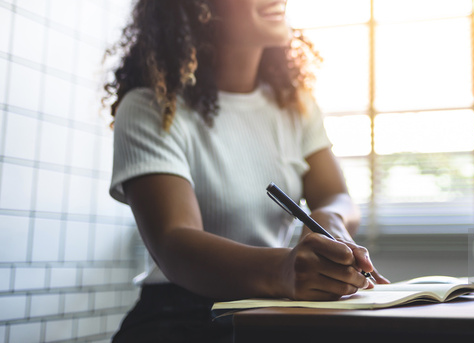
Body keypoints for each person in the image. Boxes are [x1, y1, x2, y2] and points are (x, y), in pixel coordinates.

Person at [104, 0, 389, 341]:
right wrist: (284, 270)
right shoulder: (150, 107)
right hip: (177, 318)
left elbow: (336, 195)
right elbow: (173, 242)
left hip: (267, 309)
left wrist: (331, 220)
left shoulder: (295, 105)